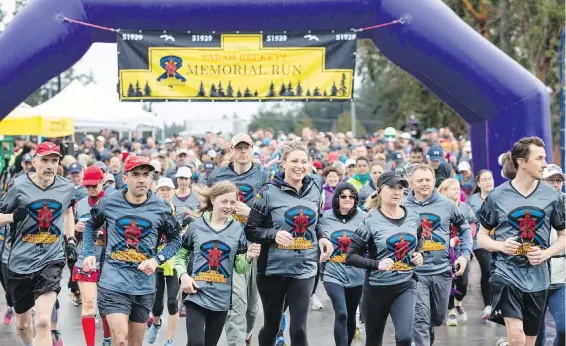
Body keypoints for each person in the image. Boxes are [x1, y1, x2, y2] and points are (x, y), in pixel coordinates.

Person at [81, 155, 181, 346]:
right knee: (119, 340)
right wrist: (88, 252)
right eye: (136, 174)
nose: (142, 179)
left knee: (135, 343)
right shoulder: (109, 203)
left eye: (146, 174)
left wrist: (156, 259)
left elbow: (176, 240)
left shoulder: (161, 208)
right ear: (125, 178)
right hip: (113, 282)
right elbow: (90, 226)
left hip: (144, 285)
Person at [477, 137, 565, 346]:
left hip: (538, 277)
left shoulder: (553, 196)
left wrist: (546, 253)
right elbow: (481, 236)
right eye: (540, 158)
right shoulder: (497, 196)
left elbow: (563, 236)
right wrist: (500, 245)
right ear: (522, 162)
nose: (544, 164)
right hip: (506, 273)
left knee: (529, 341)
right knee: (516, 336)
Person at [245, 139, 333, 346]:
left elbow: (317, 221)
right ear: (283, 163)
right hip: (273, 270)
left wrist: (322, 237)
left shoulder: (314, 188)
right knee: (273, 326)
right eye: (294, 161)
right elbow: (251, 229)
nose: (299, 166)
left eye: (303, 161)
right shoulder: (267, 192)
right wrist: (273, 235)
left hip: (306, 268)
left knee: (299, 328)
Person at [0, 142, 76, 346]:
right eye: (45, 160)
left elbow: (68, 212)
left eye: (54, 160)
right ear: (34, 162)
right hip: (19, 261)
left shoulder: (66, 187)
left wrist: (70, 239)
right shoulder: (17, 186)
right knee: (23, 325)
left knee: (43, 321)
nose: (50, 165)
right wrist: (11, 217)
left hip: (50, 259)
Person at [174, 181, 261, 346]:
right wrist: (183, 275)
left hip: (221, 300)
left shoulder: (237, 230)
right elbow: (181, 256)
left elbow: (239, 267)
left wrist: (249, 257)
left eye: (232, 202)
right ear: (213, 200)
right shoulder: (196, 226)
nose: (228, 206)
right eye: (224, 201)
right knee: (196, 343)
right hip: (196, 294)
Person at [207, 132, 271, 346]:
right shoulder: (218, 175)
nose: (243, 151)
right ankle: (236, 341)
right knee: (237, 302)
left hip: (255, 243)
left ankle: (247, 334)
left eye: (247, 147)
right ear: (232, 150)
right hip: (228, 243)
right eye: (239, 147)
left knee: (252, 306)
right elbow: (208, 207)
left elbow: (273, 210)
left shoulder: (263, 174)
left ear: (252, 149)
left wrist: (249, 213)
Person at [346, 171, 424, 346]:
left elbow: (419, 241)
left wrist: (419, 254)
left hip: (405, 285)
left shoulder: (413, 217)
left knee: (404, 338)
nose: (397, 192)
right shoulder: (370, 221)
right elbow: (350, 257)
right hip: (376, 290)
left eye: (400, 188)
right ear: (380, 190)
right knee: (373, 342)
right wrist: (377, 264)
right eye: (392, 187)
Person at [404, 164, 472, 345]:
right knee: (420, 318)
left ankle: (428, 330)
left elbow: (464, 229)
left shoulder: (447, 204)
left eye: (428, 180)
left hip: (442, 271)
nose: (424, 183)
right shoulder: (402, 206)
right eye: (419, 180)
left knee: (437, 318)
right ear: (411, 182)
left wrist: (464, 255)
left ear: (434, 181)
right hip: (415, 273)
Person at [319, 182, 366, 346]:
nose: (347, 199)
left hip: (357, 275)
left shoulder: (364, 217)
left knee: (351, 314)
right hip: (332, 274)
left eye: (351, 196)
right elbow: (316, 237)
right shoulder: (325, 218)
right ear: (336, 198)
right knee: (342, 313)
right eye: (343, 196)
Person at [72, 165, 112, 346]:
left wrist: (104, 231)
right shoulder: (80, 204)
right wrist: (76, 229)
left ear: (102, 182)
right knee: (88, 304)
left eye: (94, 185)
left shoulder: (113, 200)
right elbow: (71, 230)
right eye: (87, 186)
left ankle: (107, 339)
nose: (90, 189)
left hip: (110, 260)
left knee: (106, 307)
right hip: (85, 259)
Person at [146, 178, 184, 346]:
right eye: (162, 189)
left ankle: (169, 340)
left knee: (172, 302)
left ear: (173, 191)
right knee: (156, 303)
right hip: (156, 262)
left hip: (174, 263)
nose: (166, 192)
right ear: (157, 192)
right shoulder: (151, 211)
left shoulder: (181, 212)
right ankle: (156, 323)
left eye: (168, 189)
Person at [437, 178, 477, 327]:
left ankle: (459, 303)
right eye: (453, 188)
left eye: (457, 188)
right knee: (448, 281)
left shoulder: (465, 207)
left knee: (463, 282)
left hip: (461, 250)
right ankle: (451, 311)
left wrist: (465, 241)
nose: (457, 191)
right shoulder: (440, 207)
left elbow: (472, 226)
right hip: (443, 250)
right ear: (444, 190)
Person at [535, 164, 565, 346]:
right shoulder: (532, 206)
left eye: (559, 180)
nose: (555, 184)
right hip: (535, 278)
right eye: (550, 180)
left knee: (563, 328)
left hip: (560, 279)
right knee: (536, 334)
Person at [467, 169, 495, 320]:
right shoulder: (473, 200)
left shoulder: (499, 195)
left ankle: (498, 303)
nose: (487, 182)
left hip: (498, 239)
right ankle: (488, 305)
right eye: (484, 180)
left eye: (489, 179)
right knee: (487, 269)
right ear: (478, 183)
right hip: (479, 240)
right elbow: (470, 220)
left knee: (497, 271)